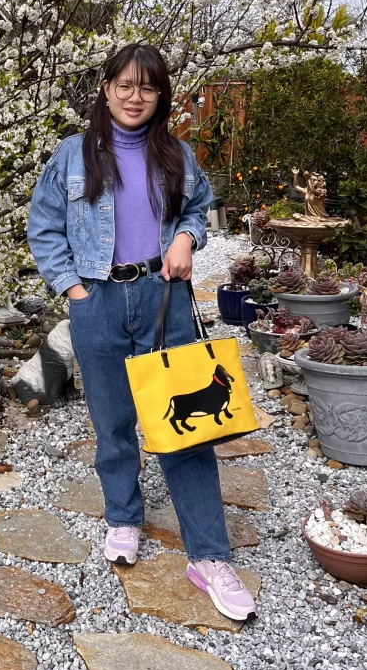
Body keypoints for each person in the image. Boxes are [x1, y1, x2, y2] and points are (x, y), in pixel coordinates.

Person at [27, 43, 256, 622]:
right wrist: (73, 290)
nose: (135, 97)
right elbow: (44, 227)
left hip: (164, 301)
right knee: (113, 424)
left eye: (148, 88)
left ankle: (209, 555)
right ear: (105, 88)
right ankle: (123, 515)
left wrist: (185, 239)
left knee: (188, 427)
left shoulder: (176, 154)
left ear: (161, 96)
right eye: (124, 85)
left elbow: (197, 210)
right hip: (98, 300)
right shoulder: (72, 157)